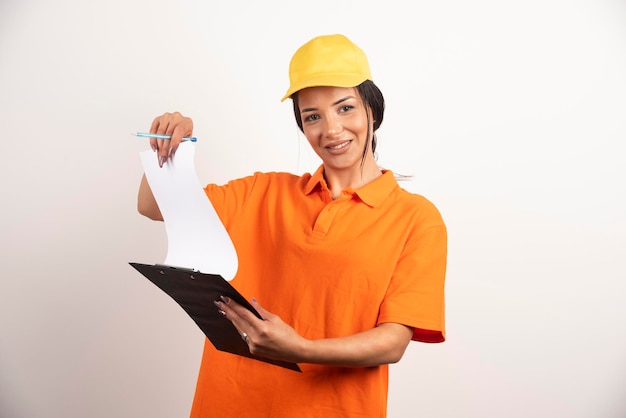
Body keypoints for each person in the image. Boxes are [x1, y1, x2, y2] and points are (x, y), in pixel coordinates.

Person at [138, 34, 447, 418]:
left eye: (345, 108)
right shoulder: (264, 192)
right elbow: (154, 206)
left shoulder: (416, 219)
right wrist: (167, 145)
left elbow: (393, 343)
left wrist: (298, 348)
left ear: (372, 110)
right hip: (227, 405)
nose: (331, 129)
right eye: (312, 116)